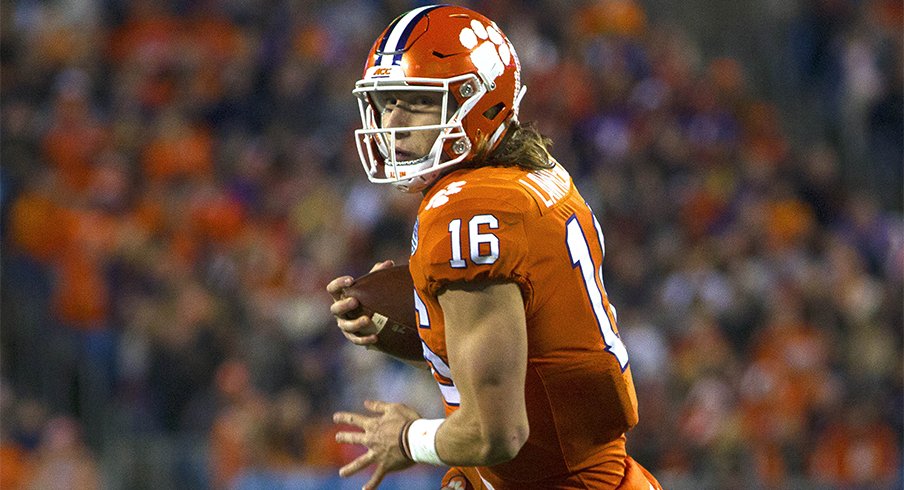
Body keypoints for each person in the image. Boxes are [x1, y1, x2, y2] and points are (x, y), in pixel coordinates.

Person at [327, 5, 662, 490]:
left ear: (478, 103)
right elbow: (531, 358)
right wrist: (424, 316)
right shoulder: (530, 172)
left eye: (415, 101)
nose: (391, 120)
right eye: (385, 101)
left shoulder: (468, 210)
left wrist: (406, 439)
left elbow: (497, 432)